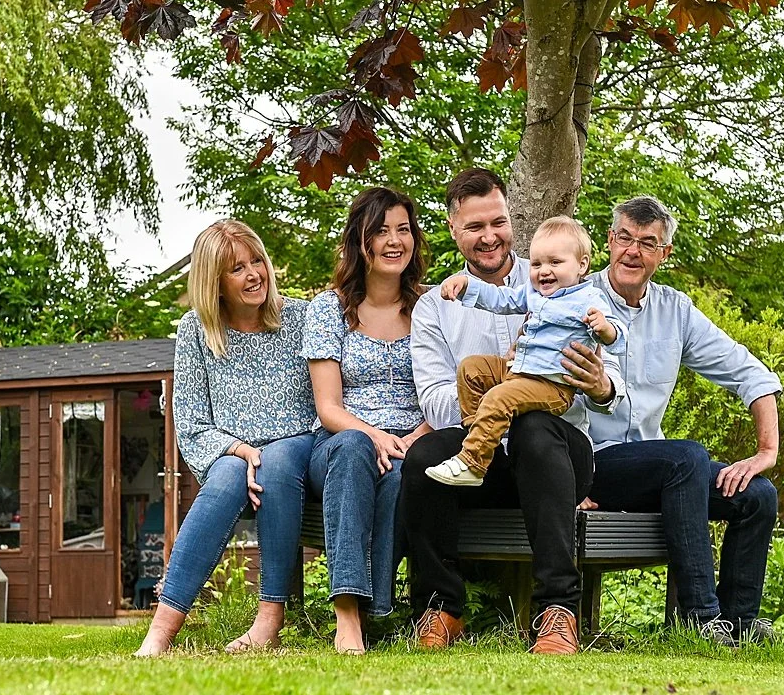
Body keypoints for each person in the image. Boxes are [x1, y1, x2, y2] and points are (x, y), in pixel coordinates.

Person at [400, 168, 624, 656]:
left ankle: (557, 612)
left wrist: (601, 385)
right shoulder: (436, 305)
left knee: (535, 429)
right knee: (423, 458)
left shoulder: (559, 275)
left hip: (555, 455)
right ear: (454, 230)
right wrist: (504, 395)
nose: (489, 237)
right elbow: (435, 400)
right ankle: (441, 608)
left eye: (497, 222)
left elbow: (612, 370)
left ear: (511, 221)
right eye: (475, 226)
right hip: (481, 455)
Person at [585, 195, 784, 646]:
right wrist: (564, 481)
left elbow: (750, 373)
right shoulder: (579, 299)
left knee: (758, 495)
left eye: (647, 243)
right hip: (593, 466)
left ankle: (740, 624)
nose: (632, 251)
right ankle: (700, 619)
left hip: (660, 471)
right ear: (609, 241)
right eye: (624, 238)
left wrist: (766, 452)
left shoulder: (675, 311)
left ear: (664, 253)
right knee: (686, 457)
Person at [135, 220, 318, 657]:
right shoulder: (195, 330)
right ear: (214, 282)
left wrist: (264, 454)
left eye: (257, 261)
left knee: (276, 460)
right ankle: (160, 631)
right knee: (225, 478)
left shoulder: (301, 318)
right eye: (237, 269)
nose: (254, 274)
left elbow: (327, 399)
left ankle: (270, 619)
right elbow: (191, 421)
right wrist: (242, 450)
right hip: (231, 451)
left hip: (299, 444)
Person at [302, 187, 433, 654]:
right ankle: (347, 613)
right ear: (360, 240)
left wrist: (416, 436)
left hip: (411, 442)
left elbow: (446, 392)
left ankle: (375, 609)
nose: (394, 241)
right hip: (340, 443)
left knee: (400, 476)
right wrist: (376, 435)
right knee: (357, 448)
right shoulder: (329, 309)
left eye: (403, 229)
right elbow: (328, 407)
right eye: (381, 231)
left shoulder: (430, 307)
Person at [427, 216, 624, 486]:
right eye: (536, 264)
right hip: (519, 370)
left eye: (555, 262)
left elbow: (618, 335)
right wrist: (467, 286)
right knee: (471, 369)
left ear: (582, 264)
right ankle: (481, 442)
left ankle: (471, 462)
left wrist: (605, 329)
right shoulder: (533, 293)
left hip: (553, 385)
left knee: (498, 397)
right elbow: (501, 298)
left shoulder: (588, 299)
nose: (544, 271)